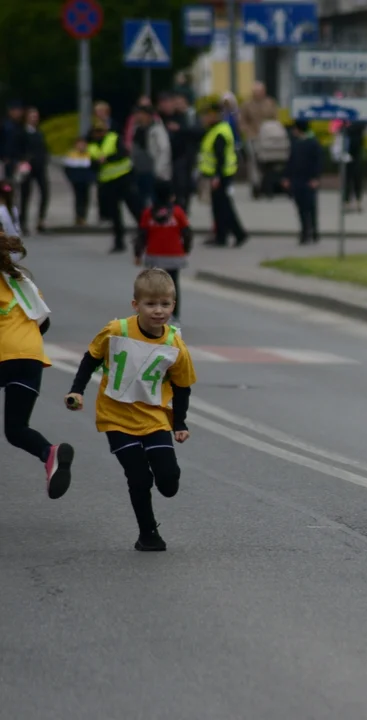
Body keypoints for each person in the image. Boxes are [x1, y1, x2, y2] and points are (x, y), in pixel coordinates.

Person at [65, 269, 197, 552]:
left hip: (154, 418)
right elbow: (91, 358)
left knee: (168, 481)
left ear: (173, 305)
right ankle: (148, 533)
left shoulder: (174, 345)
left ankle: (164, 483)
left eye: (165, 304)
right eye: (151, 304)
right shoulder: (117, 331)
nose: (158, 311)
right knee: (138, 477)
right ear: (135, 305)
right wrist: (77, 389)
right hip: (116, 418)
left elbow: (182, 386)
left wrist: (180, 423)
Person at [0, 231, 75, 499]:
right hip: (30, 355)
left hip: (3, 352)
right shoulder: (21, 280)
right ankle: (49, 453)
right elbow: (43, 321)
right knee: (17, 428)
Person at [135, 181, 192, 323]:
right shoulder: (177, 212)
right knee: (173, 285)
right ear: (171, 196)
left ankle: (152, 312)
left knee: (154, 285)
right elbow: (187, 232)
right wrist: (186, 248)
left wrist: (137, 254)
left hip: (154, 255)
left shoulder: (148, 213)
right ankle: (174, 314)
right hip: (174, 254)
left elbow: (142, 235)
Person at [87, 120, 141, 253]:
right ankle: (119, 242)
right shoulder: (92, 146)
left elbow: (122, 154)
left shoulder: (114, 138)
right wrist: (98, 163)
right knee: (115, 215)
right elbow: (92, 166)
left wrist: (106, 159)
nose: (99, 134)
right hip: (108, 183)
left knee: (135, 209)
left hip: (124, 178)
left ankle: (146, 237)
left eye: (101, 131)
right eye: (96, 131)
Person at [199, 101, 248, 248]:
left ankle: (237, 234)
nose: (204, 119)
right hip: (220, 175)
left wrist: (216, 177)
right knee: (220, 207)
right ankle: (222, 235)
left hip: (220, 175)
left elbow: (220, 157)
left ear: (214, 116)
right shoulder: (218, 129)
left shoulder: (219, 132)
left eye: (206, 115)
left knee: (223, 207)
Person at [282, 120, 322, 246]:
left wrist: (316, 178)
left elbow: (318, 162)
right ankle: (305, 232)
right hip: (297, 180)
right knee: (301, 208)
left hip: (309, 180)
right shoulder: (295, 143)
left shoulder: (313, 143)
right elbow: (291, 161)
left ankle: (313, 231)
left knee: (310, 207)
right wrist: (286, 177)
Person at [17, 107, 49, 234]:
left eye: (36, 116)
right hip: (27, 166)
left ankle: (41, 220)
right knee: (25, 194)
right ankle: (23, 221)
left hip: (40, 166)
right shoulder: (22, 133)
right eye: (32, 116)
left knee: (45, 192)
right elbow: (17, 149)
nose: (34, 118)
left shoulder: (39, 132)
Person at [63, 139, 94, 226]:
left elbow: (93, 168)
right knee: (78, 198)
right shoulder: (71, 154)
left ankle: (83, 217)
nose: (81, 146)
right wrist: (71, 179)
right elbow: (67, 169)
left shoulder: (89, 154)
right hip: (76, 181)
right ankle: (79, 216)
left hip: (86, 181)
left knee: (85, 199)